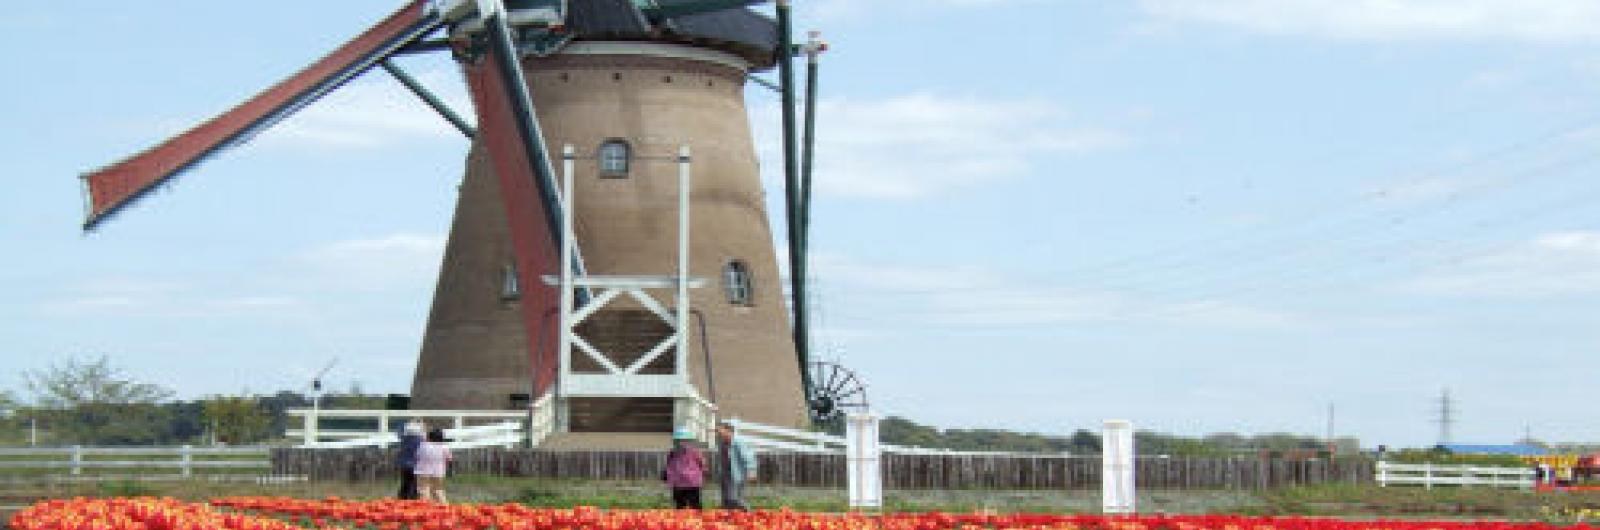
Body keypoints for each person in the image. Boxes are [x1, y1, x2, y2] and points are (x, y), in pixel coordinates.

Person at [716, 422, 757, 511]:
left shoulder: (738, 442)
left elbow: (748, 456)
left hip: (737, 474)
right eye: (718, 432)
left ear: (729, 431)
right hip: (725, 475)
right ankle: (727, 514)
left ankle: (745, 515)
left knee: (736, 499)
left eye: (720, 431)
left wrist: (751, 470)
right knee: (726, 498)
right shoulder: (722, 444)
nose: (719, 434)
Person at [663, 428, 706, 509]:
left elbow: (702, 463)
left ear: (689, 441)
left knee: (694, 504)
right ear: (675, 442)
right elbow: (669, 466)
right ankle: (683, 517)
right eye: (679, 441)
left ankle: (696, 516)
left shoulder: (694, 452)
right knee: (680, 505)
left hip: (692, 483)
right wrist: (667, 476)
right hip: (678, 483)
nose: (681, 443)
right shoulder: (672, 453)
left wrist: (702, 473)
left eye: (684, 440)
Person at [416, 428, 453, 503]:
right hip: (439, 471)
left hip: (423, 470)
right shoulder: (444, 447)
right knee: (438, 490)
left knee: (424, 489)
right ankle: (444, 505)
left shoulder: (423, 445)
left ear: (429, 437)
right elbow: (449, 459)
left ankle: (426, 506)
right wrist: (450, 470)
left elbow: (417, 455)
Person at [395, 420, 425, 500]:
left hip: (404, 465)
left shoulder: (403, 439)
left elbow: (399, 432)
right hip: (415, 465)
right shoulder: (420, 440)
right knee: (414, 483)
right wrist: (421, 424)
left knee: (405, 482)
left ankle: (402, 498)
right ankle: (413, 499)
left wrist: (410, 423)